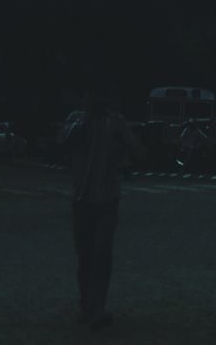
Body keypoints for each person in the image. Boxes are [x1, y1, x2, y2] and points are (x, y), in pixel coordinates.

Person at [58, 87, 140, 332]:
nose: (97, 100)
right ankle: (87, 304)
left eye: (101, 95)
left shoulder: (117, 123)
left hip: (107, 198)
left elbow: (135, 149)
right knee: (85, 255)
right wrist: (83, 121)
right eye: (92, 95)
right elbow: (63, 142)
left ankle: (97, 308)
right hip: (82, 197)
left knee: (101, 254)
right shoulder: (76, 119)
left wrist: (124, 157)